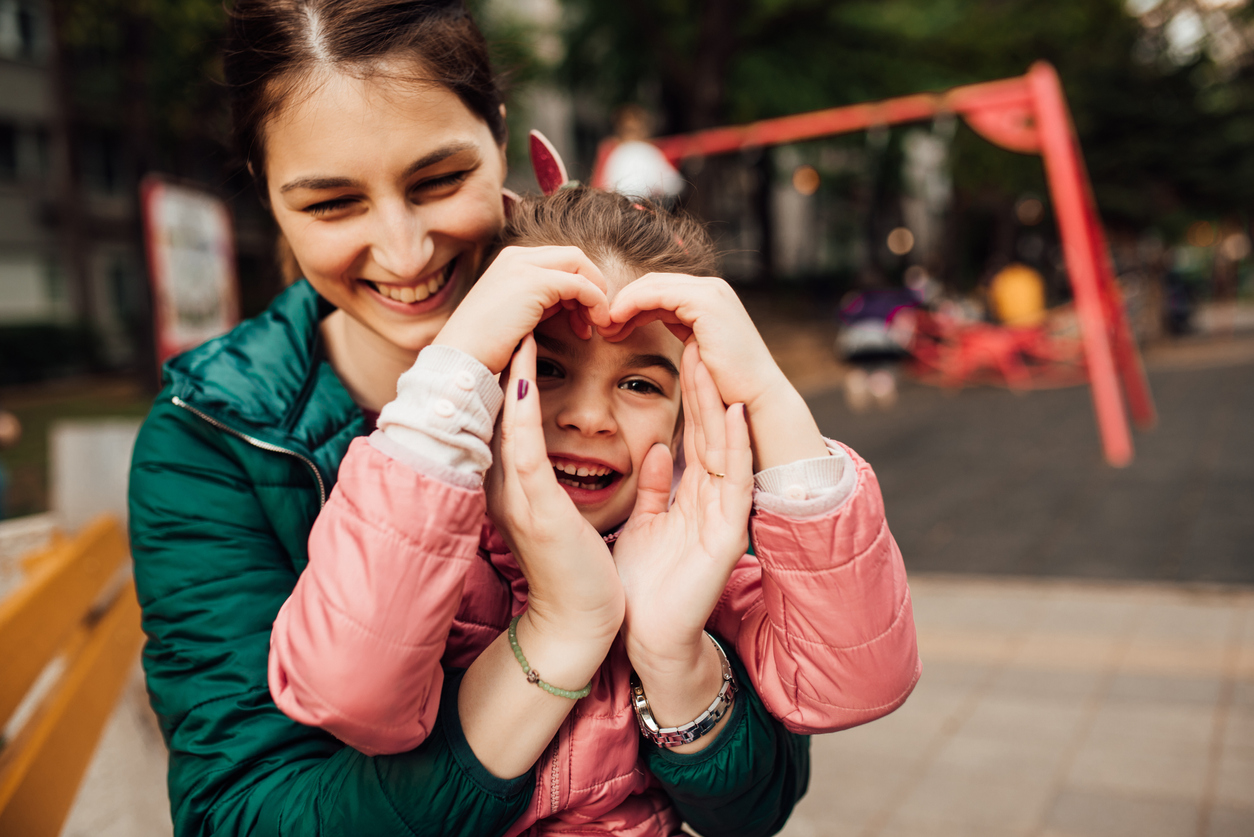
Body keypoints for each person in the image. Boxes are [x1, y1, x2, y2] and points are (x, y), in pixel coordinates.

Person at [127, 2, 910, 836]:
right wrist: (563, 628)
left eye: (437, 181)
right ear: (266, 191)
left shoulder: (625, 333)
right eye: (331, 204)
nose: (404, 252)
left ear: (499, 134)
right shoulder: (213, 436)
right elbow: (243, 808)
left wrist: (676, 658)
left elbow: (762, 790)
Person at [267, 187, 920, 834]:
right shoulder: (430, 557)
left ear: (684, 414)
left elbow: (856, 683)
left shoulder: (696, 560)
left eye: (639, 384)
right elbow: (348, 689)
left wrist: (767, 394)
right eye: (547, 368)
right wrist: (452, 371)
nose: (588, 415)